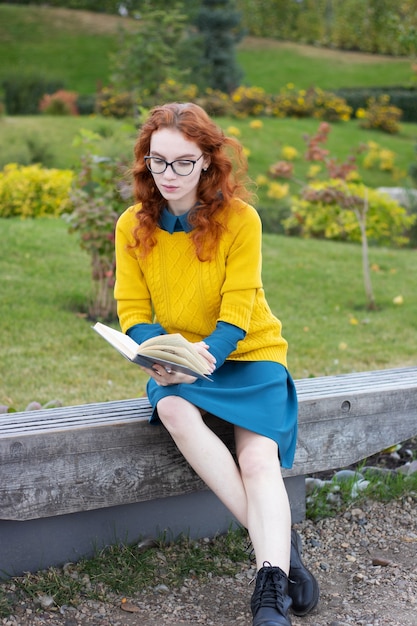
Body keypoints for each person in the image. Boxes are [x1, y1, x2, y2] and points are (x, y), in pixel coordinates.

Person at [114, 102, 319, 626]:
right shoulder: (132, 226)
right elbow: (133, 312)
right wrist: (158, 352)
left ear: (207, 161)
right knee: (176, 413)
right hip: (181, 362)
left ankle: (268, 586)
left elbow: (239, 312)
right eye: (157, 162)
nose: (168, 175)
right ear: (145, 162)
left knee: (257, 461)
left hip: (248, 355)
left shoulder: (240, 220)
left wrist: (201, 363)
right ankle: (278, 547)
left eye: (183, 162)